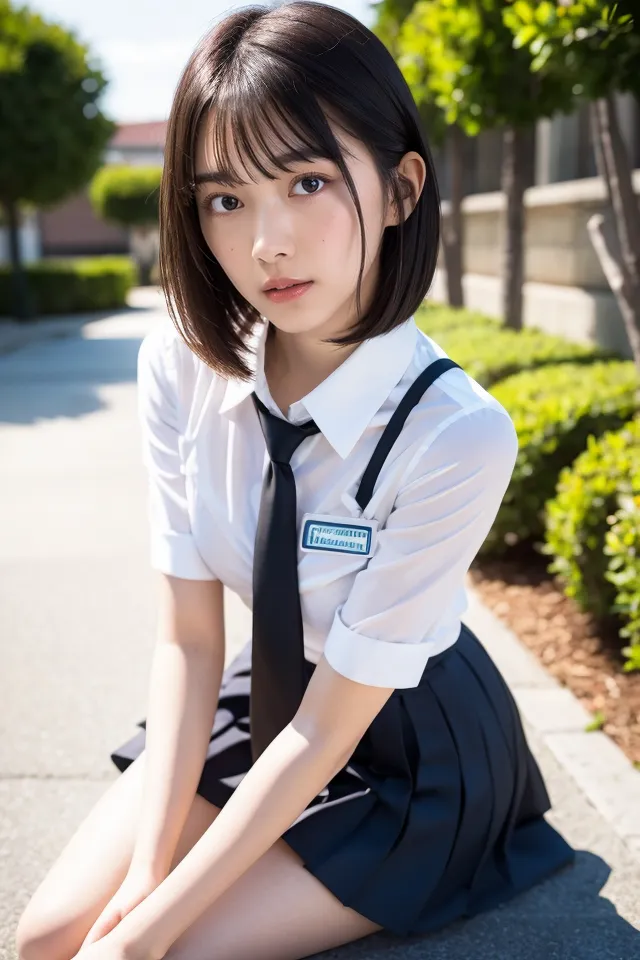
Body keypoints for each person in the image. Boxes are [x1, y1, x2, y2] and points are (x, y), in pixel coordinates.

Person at [15, 3, 576, 959]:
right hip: (266, 693)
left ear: (400, 190)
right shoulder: (184, 369)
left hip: (406, 737)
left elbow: (328, 732)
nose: (265, 242)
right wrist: (150, 881)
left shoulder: (455, 433)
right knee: (48, 940)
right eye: (225, 199)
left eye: (306, 182)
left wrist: (153, 933)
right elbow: (191, 641)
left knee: (165, 955)